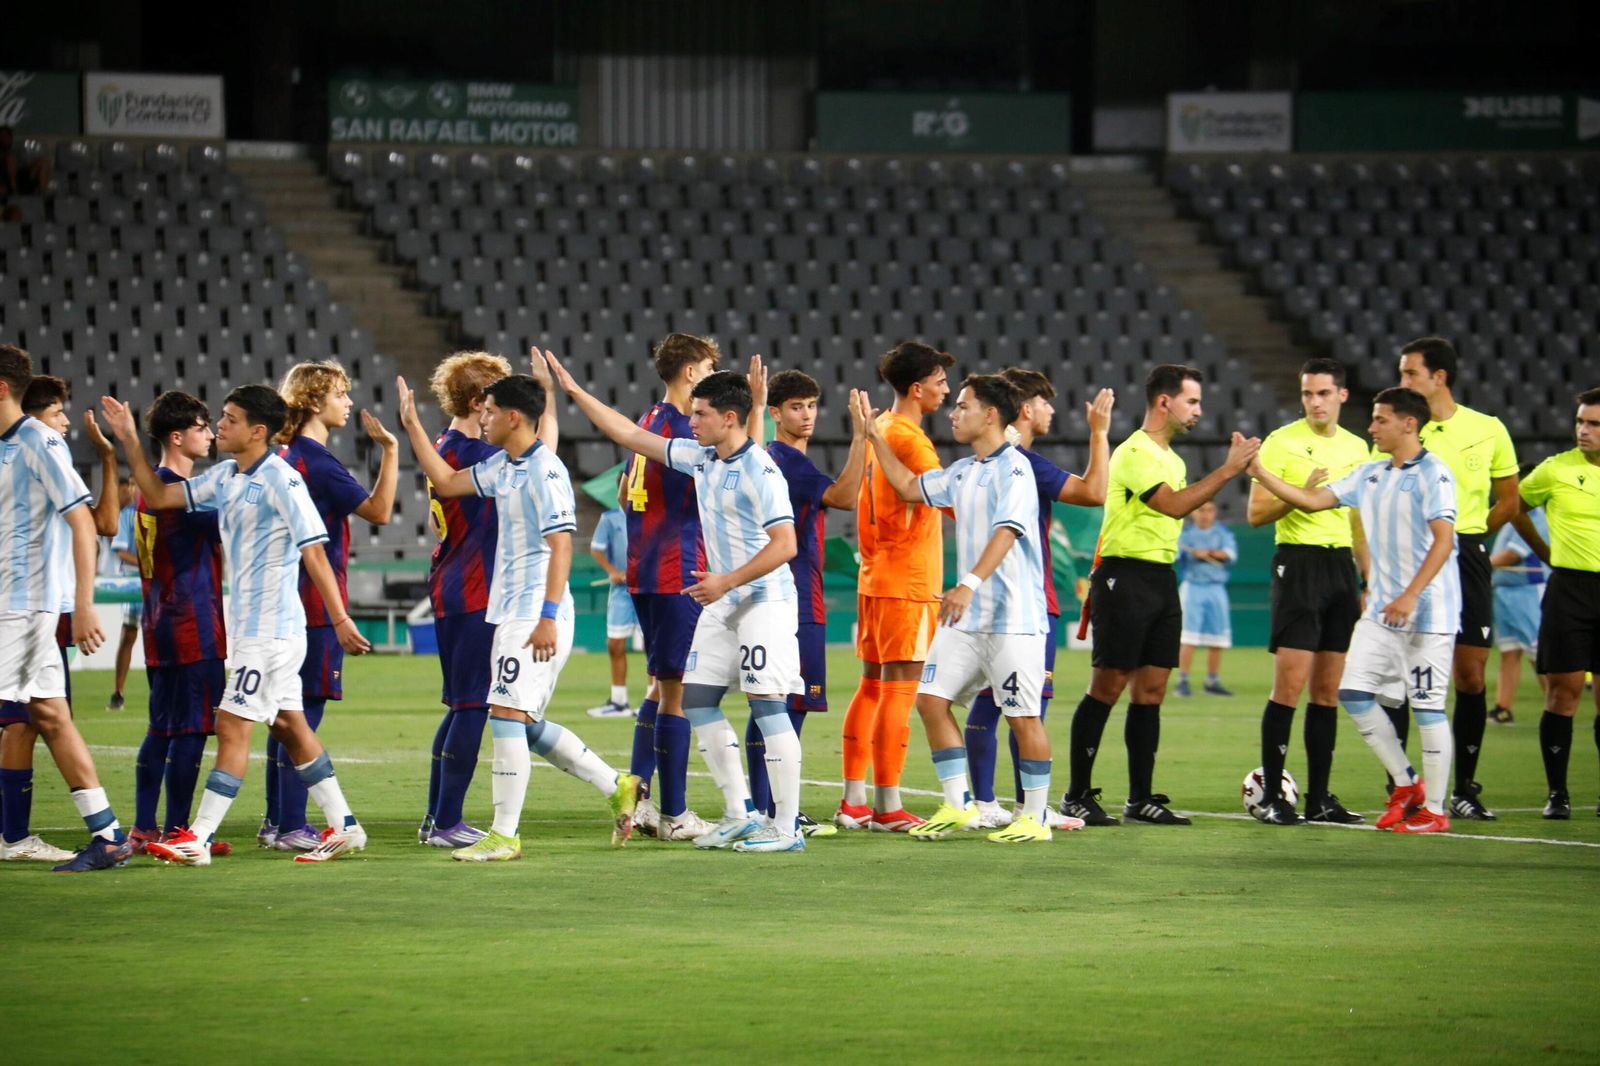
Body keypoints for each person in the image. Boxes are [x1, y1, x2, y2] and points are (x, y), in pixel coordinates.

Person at [546, 352, 811, 854]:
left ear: (728, 418)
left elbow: (785, 546)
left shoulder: (762, 470)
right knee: (697, 700)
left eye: (700, 414)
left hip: (764, 602)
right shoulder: (701, 458)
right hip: (724, 602)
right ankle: (741, 814)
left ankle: (786, 826)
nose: (691, 422)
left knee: (767, 705)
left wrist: (727, 581)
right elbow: (629, 434)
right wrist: (575, 392)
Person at [102, 384, 375, 865]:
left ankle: (198, 837)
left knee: (230, 723)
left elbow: (315, 551)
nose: (219, 426)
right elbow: (159, 494)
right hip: (255, 629)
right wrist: (127, 438)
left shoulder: (283, 480)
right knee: (290, 725)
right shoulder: (226, 475)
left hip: (271, 631)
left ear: (257, 431)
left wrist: (339, 619)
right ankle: (347, 825)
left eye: (229, 418)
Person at [398, 370, 641, 860]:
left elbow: (562, 546)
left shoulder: (545, 473)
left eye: (489, 411)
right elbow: (446, 481)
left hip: (534, 613)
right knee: (523, 721)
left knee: (506, 716)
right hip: (508, 610)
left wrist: (547, 616)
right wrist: (412, 428)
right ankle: (617, 785)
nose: (482, 419)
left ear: (512, 417)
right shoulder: (504, 466)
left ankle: (504, 835)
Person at [1250, 386, 1460, 834]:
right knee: (1352, 693)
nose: (1371, 427)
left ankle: (1435, 810)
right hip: (1384, 612)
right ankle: (1407, 783)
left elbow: (1444, 541)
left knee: (1427, 706)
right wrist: (1259, 472)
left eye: (1381, 420)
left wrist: (1411, 594)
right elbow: (1311, 501)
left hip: (1429, 612)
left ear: (1409, 424)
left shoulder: (1435, 474)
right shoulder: (1370, 474)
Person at [860, 376, 1059, 842]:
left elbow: (1007, 532)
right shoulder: (964, 470)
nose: (954, 412)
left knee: (1023, 717)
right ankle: (958, 805)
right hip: (967, 620)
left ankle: (1035, 817)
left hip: (1013, 620)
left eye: (964, 406)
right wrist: (873, 437)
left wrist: (967, 584)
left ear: (990, 415)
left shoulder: (1016, 470)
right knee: (930, 700)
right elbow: (908, 486)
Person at [1061, 364, 1260, 826]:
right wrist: (1229, 470)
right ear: (1165, 402)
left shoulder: (1174, 460)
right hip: (1123, 577)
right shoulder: (1133, 451)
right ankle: (1076, 795)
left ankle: (1140, 798)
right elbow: (1171, 505)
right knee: (1107, 686)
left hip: (1161, 579)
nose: (1199, 410)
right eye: (1192, 401)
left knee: (1152, 690)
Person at [258, 360, 397, 852]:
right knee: (303, 716)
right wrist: (391, 451)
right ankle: (292, 825)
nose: (349, 402)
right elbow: (379, 512)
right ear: (314, 401)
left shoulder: (283, 456)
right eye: (340, 393)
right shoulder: (317, 462)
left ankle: (277, 821)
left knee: (284, 716)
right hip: (315, 604)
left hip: (281, 599)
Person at [964, 369, 1112, 830]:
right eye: (1046, 403)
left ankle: (984, 802)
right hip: (1026, 602)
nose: (1052, 411)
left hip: (989, 600)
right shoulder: (1025, 464)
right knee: (1027, 706)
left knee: (989, 704)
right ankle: (1028, 806)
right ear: (1026, 409)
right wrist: (1099, 433)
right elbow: (1095, 492)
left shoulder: (987, 464)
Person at [0, 345, 127, 871]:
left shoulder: (39, 440)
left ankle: (105, 836)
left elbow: (83, 522)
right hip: (12, 608)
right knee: (45, 717)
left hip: (27, 609)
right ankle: (103, 834)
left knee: (44, 716)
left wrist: (85, 606)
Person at [1395, 337, 1519, 820]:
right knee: (1405, 676)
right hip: (1413, 556)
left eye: (1410, 373)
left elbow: (1509, 500)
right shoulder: (1401, 429)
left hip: (1466, 554)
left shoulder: (1488, 429)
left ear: (1439, 377)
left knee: (1470, 675)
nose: (1402, 381)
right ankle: (1403, 787)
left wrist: (1470, 533)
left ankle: (1464, 787)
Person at [1244, 358, 1371, 825]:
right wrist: (1299, 491)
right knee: (1290, 686)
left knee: (1327, 691)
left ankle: (1318, 798)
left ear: (1342, 395)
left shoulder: (1358, 448)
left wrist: (1367, 580)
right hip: (1298, 565)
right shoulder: (1281, 442)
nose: (1314, 402)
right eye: (1307, 394)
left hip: (1340, 569)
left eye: (1323, 393)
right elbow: (1257, 514)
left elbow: (1359, 522)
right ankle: (1275, 799)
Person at [837, 341, 955, 833]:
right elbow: (950, 500)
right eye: (941, 382)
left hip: (875, 574)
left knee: (871, 686)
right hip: (908, 580)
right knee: (900, 691)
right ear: (918, 388)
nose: (946, 390)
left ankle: (854, 800)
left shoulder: (880, 426)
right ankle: (888, 806)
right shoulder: (911, 440)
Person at [753, 368, 872, 837]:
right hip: (800, 599)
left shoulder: (770, 458)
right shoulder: (790, 462)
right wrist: (860, 436)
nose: (806, 415)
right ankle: (778, 808)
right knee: (792, 704)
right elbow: (845, 496)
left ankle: (764, 806)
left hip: (777, 595)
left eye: (811, 406)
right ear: (775, 413)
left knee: (770, 701)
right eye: (795, 407)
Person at [619, 334, 721, 841]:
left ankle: (637, 800)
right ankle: (676, 815)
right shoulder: (687, 431)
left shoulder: (647, 422)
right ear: (690, 373)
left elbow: (623, 494)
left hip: (643, 569)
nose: (713, 377)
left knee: (659, 686)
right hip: (677, 570)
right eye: (709, 368)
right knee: (679, 692)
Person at [124, 392, 231, 857]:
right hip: (193, 623)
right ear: (176, 436)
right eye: (201, 427)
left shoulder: (152, 491)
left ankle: (144, 826)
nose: (209, 434)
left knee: (161, 728)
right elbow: (235, 524)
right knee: (190, 729)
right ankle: (177, 831)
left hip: (159, 622)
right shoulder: (180, 495)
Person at [417, 351, 511, 847]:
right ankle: (447, 822)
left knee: (459, 705)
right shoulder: (476, 454)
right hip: (476, 588)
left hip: (452, 580)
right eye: (498, 402)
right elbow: (536, 458)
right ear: (478, 403)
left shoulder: (444, 444)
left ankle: (436, 817)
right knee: (473, 705)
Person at [1512, 387, 1600, 820]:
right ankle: (1558, 794)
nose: (1583, 430)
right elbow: (1513, 507)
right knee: (1562, 694)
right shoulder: (1555, 469)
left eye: (1594, 424)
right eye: (1580, 422)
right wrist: (1544, 552)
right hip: (1569, 590)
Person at [1489, 505, 1549, 725]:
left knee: (1538, 652)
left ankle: (1555, 706)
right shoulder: (1511, 514)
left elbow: (1513, 554)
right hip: (1505, 590)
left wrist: (1478, 564)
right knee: (1510, 651)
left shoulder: (1536, 517)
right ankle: (1502, 709)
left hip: (1528, 591)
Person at [586, 473, 640, 719]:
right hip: (621, 592)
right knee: (615, 644)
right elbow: (596, 549)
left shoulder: (649, 516)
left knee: (653, 646)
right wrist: (613, 572)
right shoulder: (609, 518)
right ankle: (619, 702)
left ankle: (652, 701)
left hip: (647, 588)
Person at [1174, 501, 1237, 698]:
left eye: (1210, 510)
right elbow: (1174, 555)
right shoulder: (1185, 534)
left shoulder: (1222, 533)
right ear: (1193, 513)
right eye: (1201, 510)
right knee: (1188, 637)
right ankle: (1182, 680)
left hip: (1216, 588)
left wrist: (1208, 553)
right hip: (1192, 588)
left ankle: (1212, 681)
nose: (1205, 514)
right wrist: (1190, 552)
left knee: (1218, 637)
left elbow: (1230, 554)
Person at [105, 475, 141, 711]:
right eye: (131, 484)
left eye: (136, 484)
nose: (132, 489)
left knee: (161, 636)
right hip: (132, 580)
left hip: (158, 581)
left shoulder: (161, 512)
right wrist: (147, 564)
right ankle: (118, 692)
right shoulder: (127, 515)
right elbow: (120, 551)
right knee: (129, 634)